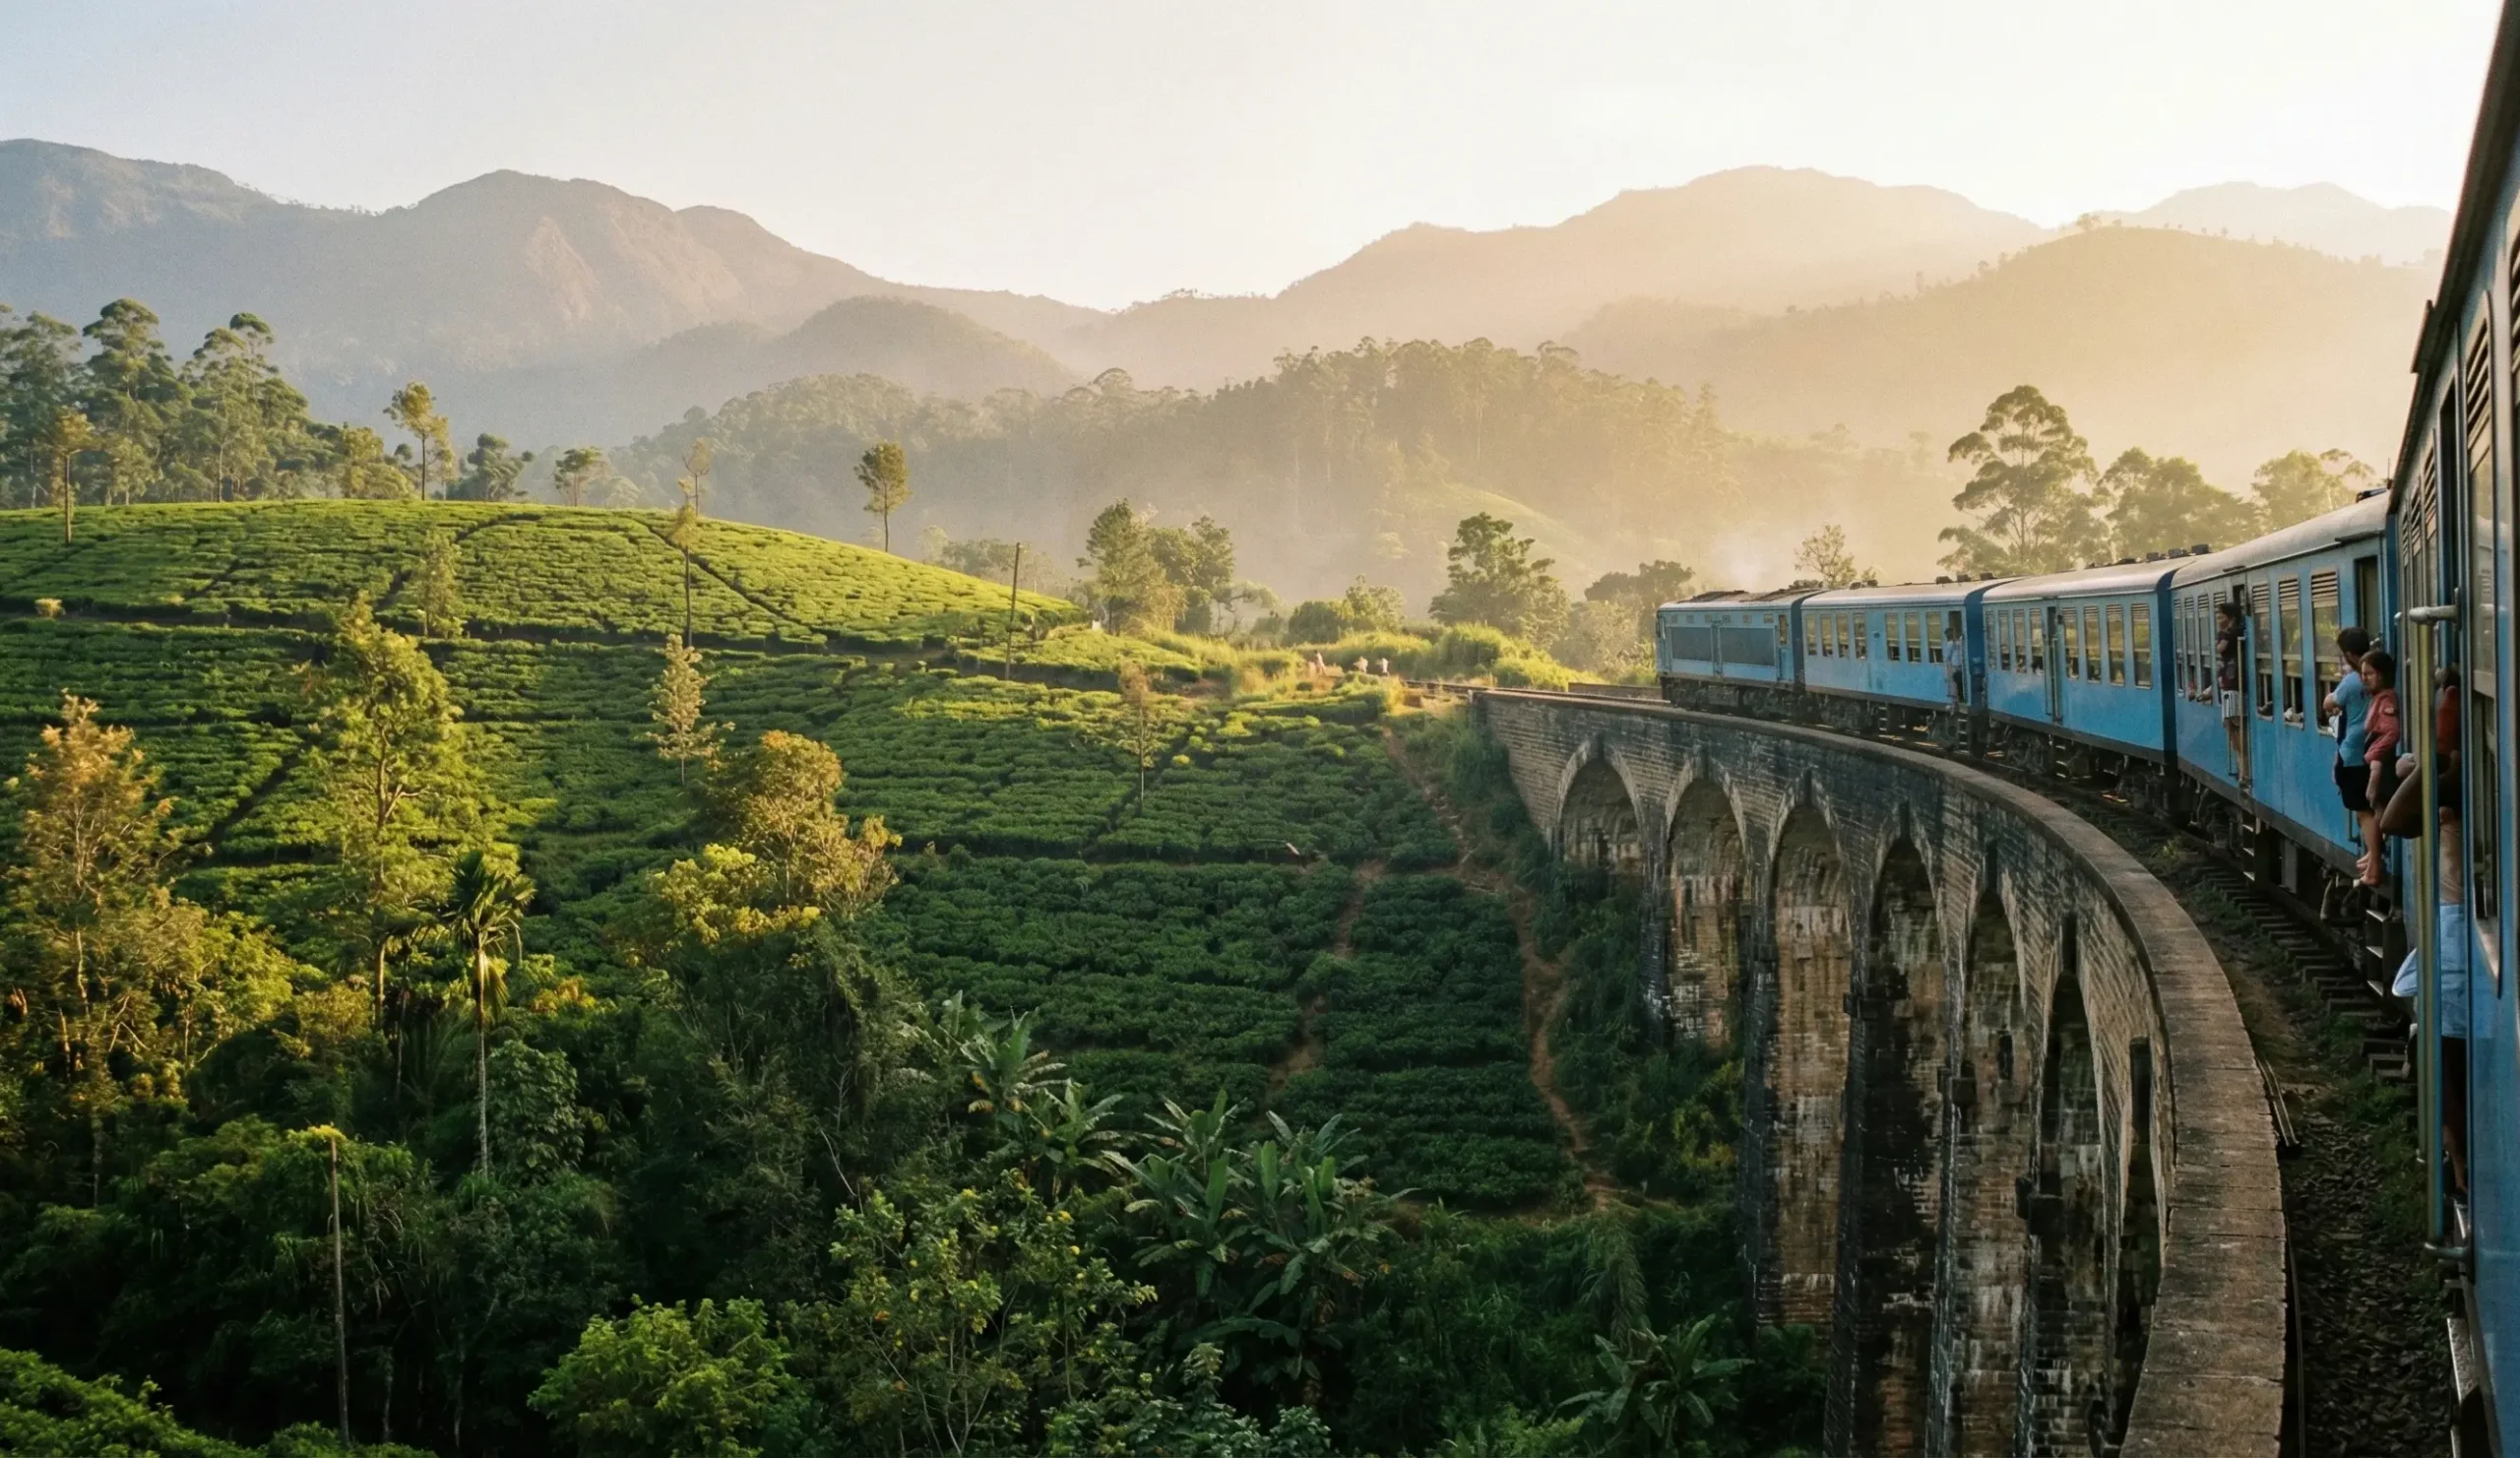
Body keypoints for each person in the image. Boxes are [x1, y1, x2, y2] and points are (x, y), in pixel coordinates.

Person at [2324, 625, 2375, 868]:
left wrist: (2333, 702)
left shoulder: (2353, 680)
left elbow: (2329, 703)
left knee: (2362, 810)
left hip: (2353, 752)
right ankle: (2372, 856)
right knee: (2372, 806)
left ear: (2350, 655)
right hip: (2373, 747)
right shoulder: (2377, 675)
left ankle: (2374, 859)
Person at [2359, 648, 2401, 886]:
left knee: (2377, 812)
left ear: (2382, 675)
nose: (2364, 678)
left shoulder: (2386, 700)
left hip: (2381, 765)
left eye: (2369, 673)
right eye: (2363, 674)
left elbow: (2392, 732)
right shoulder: (2379, 698)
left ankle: (2375, 862)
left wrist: (2373, 756)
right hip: (2377, 763)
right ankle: (2373, 857)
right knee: (2376, 811)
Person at [2215, 599, 2248, 789]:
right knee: (2232, 730)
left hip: (2233, 686)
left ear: (2230, 617)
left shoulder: (2233, 632)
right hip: (2227, 686)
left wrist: (2225, 634)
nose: (2218, 619)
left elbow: (2220, 648)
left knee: (2236, 730)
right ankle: (2242, 769)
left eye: (2221, 616)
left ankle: (2243, 771)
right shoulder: (2228, 633)